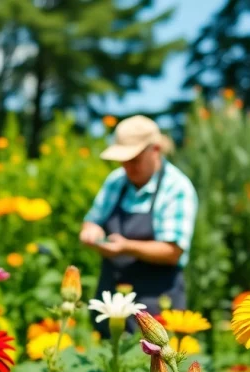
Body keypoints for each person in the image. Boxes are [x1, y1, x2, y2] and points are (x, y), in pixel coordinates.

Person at [79, 115, 198, 336]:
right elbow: (92, 219)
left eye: (134, 159)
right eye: (123, 160)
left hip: (156, 304)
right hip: (111, 299)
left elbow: (173, 251)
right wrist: (92, 230)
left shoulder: (176, 188)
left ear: (155, 150)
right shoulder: (116, 181)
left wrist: (126, 247)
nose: (127, 167)